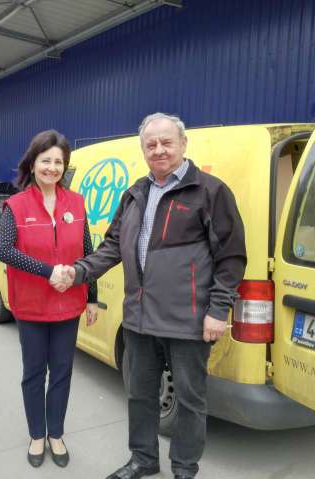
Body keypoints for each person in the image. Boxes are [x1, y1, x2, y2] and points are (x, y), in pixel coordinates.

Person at [62, 113, 247, 479]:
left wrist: (218, 310)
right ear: (143, 149)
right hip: (139, 317)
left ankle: (184, 468)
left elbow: (231, 257)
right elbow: (112, 246)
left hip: (187, 320)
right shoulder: (136, 193)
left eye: (166, 142)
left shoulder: (210, 192)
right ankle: (143, 459)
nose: (159, 150)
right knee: (139, 394)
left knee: (190, 400)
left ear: (183, 144)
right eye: (151, 144)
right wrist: (78, 272)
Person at [0, 129, 98, 469]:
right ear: (32, 164)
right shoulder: (16, 205)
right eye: (45, 161)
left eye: (58, 162)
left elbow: (88, 252)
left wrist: (92, 296)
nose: (52, 168)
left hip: (69, 305)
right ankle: (37, 435)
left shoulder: (76, 203)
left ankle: (56, 434)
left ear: (64, 166)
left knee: (63, 372)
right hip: (32, 307)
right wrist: (48, 271)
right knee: (34, 372)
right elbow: (4, 250)